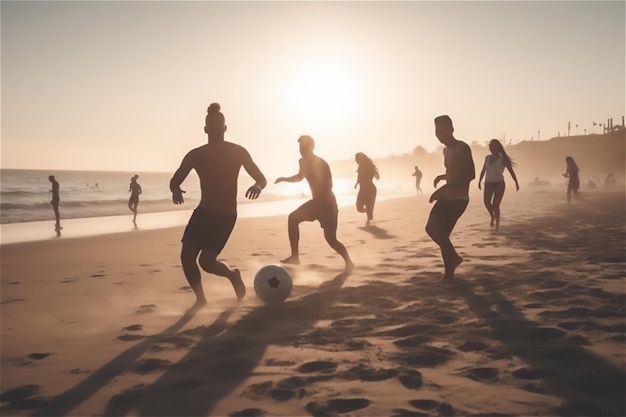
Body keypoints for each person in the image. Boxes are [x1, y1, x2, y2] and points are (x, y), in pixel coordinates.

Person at [170, 103, 267, 311]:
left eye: (219, 123)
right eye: (211, 124)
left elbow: (261, 178)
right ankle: (200, 299)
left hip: (225, 216)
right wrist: (175, 189)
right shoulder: (195, 155)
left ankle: (232, 275)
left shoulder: (238, 152)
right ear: (205, 129)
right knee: (186, 256)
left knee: (206, 262)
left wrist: (257, 186)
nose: (215, 127)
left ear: (225, 127)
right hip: (203, 212)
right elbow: (175, 180)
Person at [275, 135, 354, 273]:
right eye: (300, 147)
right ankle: (295, 257)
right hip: (316, 203)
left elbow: (329, 184)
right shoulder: (302, 162)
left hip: (328, 204)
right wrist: (284, 179)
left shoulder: (320, 163)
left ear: (312, 147)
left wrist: (322, 204)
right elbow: (300, 177)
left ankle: (349, 262)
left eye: (304, 147)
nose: (301, 149)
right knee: (293, 218)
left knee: (331, 239)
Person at [426, 115, 475, 281]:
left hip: (459, 199)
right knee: (436, 231)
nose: (439, 134)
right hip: (448, 196)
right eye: (437, 130)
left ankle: (451, 267)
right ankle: (450, 268)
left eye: (443, 130)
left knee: (437, 231)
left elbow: (470, 174)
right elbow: (455, 172)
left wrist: (444, 188)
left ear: (452, 129)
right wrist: (443, 177)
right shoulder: (445, 150)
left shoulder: (463, 147)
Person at [477, 139, 520, 231]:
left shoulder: (503, 159)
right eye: (490, 147)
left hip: (499, 184)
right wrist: (479, 181)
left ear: (498, 148)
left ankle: (497, 224)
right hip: (488, 183)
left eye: (494, 147)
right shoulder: (487, 158)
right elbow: (483, 170)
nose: (492, 149)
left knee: (496, 205)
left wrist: (516, 182)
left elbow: (511, 171)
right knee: (486, 202)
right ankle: (493, 216)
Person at [354, 152, 380, 226]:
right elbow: (359, 177)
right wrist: (357, 183)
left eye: (357, 159)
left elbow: (370, 177)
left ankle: (369, 219)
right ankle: (369, 212)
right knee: (359, 207)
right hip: (362, 189)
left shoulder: (368, 167)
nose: (356, 160)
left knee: (369, 205)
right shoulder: (360, 167)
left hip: (370, 189)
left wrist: (365, 182)